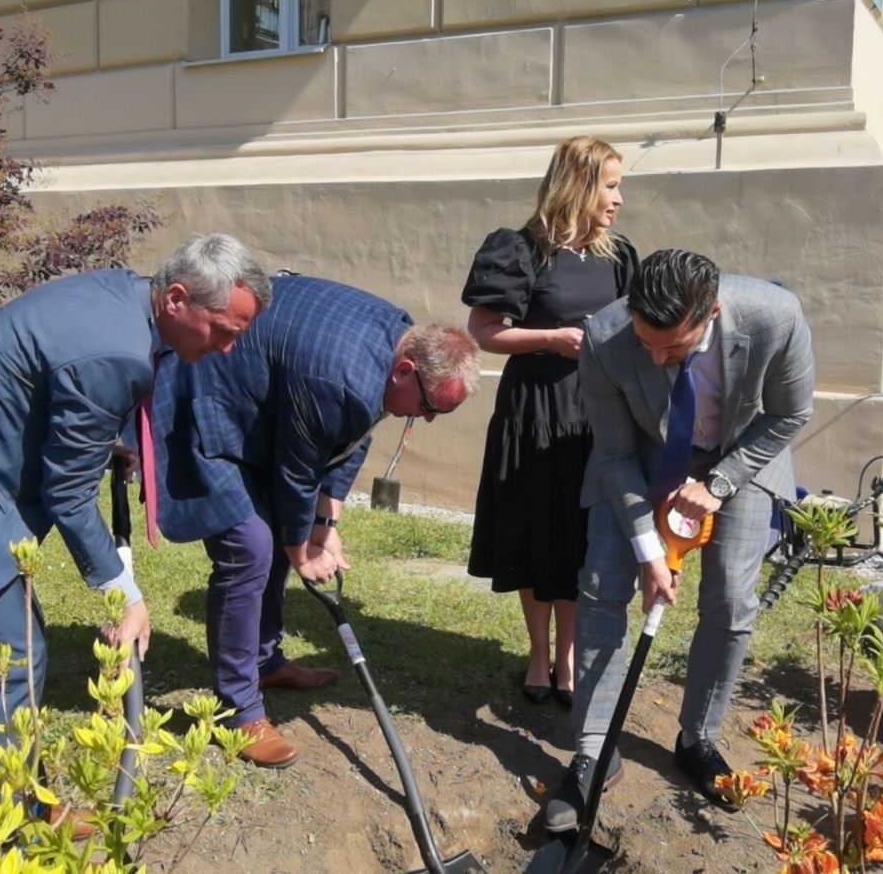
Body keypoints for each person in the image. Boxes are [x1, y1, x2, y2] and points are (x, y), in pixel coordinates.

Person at [0, 233, 270, 810]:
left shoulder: (126, 296)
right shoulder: (118, 351)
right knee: (11, 657)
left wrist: (108, 442)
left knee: (18, 648)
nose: (225, 350)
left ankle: (26, 805)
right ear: (175, 299)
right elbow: (67, 491)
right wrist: (123, 593)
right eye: (224, 331)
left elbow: (62, 389)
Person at [150, 273, 480, 769]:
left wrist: (326, 522)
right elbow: (297, 472)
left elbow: (354, 432)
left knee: (282, 535)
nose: (427, 420)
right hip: (205, 401)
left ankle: (264, 662)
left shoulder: (396, 342)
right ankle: (238, 710)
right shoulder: (343, 377)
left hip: (261, 407)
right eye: (430, 408)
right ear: (405, 369)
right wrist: (302, 547)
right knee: (252, 547)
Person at [543, 248, 815, 832]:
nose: (659, 359)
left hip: (741, 456)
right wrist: (649, 549)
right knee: (600, 584)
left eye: (674, 347)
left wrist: (719, 484)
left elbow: (791, 415)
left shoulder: (777, 317)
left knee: (731, 603)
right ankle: (594, 749)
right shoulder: (605, 337)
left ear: (712, 311)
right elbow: (614, 453)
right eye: (648, 346)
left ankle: (698, 740)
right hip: (640, 461)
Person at [462, 136, 638, 707]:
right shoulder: (520, 249)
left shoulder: (618, 257)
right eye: (610, 185)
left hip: (595, 416)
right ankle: (540, 656)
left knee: (580, 541)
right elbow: (484, 332)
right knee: (539, 533)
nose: (618, 198)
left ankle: (569, 659)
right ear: (580, 186)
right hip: (535, 409)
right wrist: (552, 338)